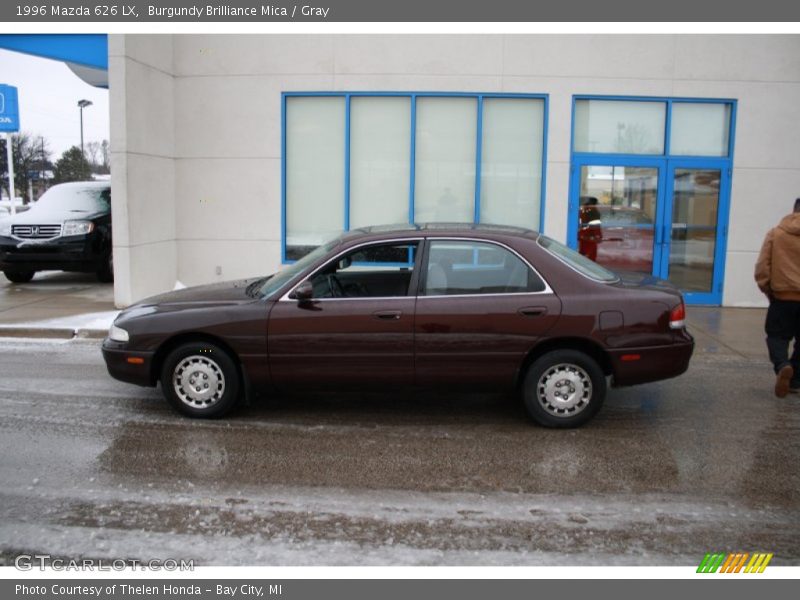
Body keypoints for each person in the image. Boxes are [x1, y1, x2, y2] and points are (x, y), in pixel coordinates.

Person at [754, 198, 800, 397]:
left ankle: (782, 365)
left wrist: (767, 289)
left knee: (776, 336)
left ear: (794, 210)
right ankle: (795, 381)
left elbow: (763, 266)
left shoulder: (776, 233)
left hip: (782, 297)